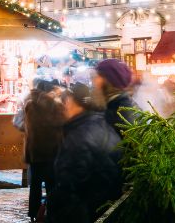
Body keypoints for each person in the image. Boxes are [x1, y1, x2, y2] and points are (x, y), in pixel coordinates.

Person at [48, 83, 122, 223]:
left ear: (70, 102)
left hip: (86, 212)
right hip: (104, 207)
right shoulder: (102, 124)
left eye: (65, 101)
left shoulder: (78, 137)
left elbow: (69, 185)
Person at [22, 80, 64, 222]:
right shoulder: (55, 105)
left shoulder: (29, 105)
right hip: (51, 152)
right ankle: (52, 212)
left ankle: (34, 214)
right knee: (52, 185)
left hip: (35, 152)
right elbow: (59, 125)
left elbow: (27, 128)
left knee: (35, 185)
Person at [93, 59, 139, 136]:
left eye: (98, 76)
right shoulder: (113, 105)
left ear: (108, 80)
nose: (94, 80)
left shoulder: (122, 112)